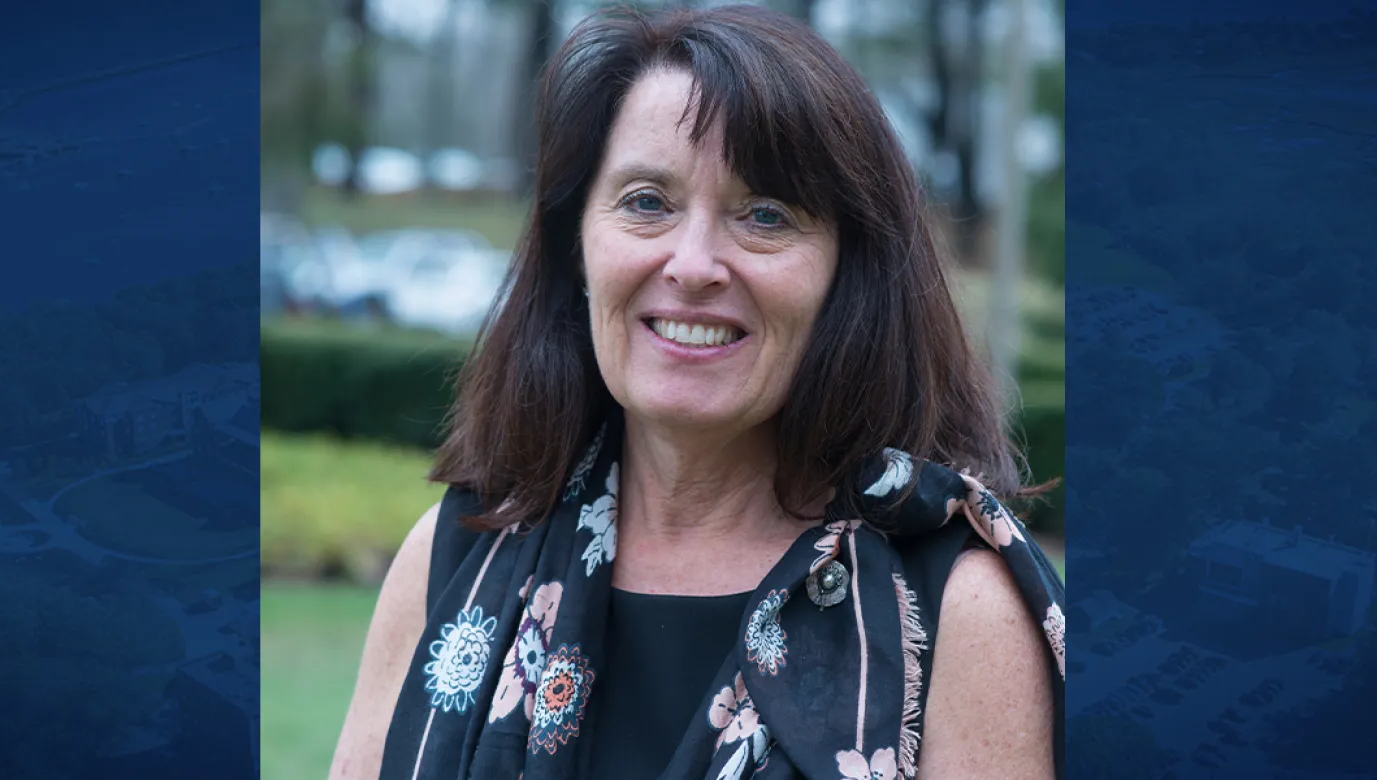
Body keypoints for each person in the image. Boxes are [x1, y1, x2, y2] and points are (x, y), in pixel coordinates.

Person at [329, 5, 1064, 779]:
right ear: (576, 245)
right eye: (647, 201)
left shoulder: (960, 610)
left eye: (765, 215)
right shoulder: (456, 557)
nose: (693, 264)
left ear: (850, 279)